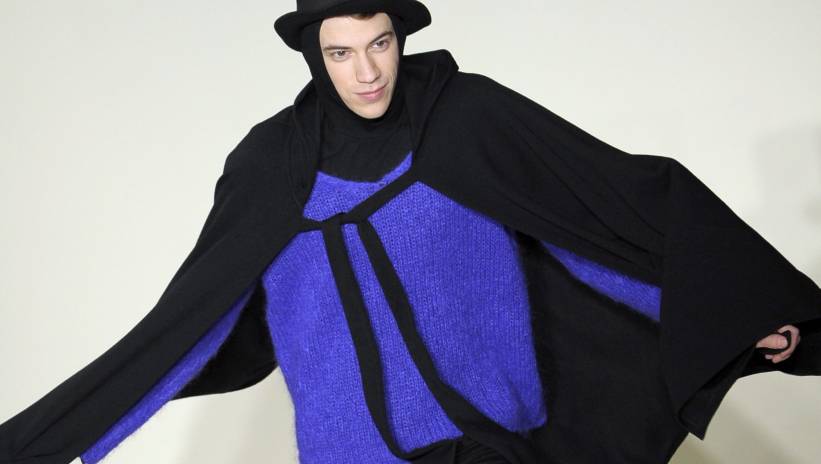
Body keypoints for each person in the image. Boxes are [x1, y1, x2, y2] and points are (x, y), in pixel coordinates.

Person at [1, 1, 819, 463]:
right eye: (341, 53)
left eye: (380, 44)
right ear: (313, 55)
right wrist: (53, 443)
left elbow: (588, 230)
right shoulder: (268, 166)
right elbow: (188, 326)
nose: (366, 72)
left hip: (490, 442)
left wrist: (736, 318)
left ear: (401, 37)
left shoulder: (468, 120)